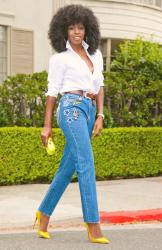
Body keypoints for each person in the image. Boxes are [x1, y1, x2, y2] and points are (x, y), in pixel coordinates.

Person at [33, 4, 110, 244]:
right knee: (86, 162)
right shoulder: (60, 58)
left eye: (80, 27)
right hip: (70, 108)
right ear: (63, 31)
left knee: (68, 168)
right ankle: (93, 224)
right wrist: (47, 126)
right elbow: (52, 92)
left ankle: (43, 214)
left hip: (88, 111)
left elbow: (100, 86)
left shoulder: (95, 55)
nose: (76, 32)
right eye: (71, 28)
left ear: (87, 30)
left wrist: (100, 116)